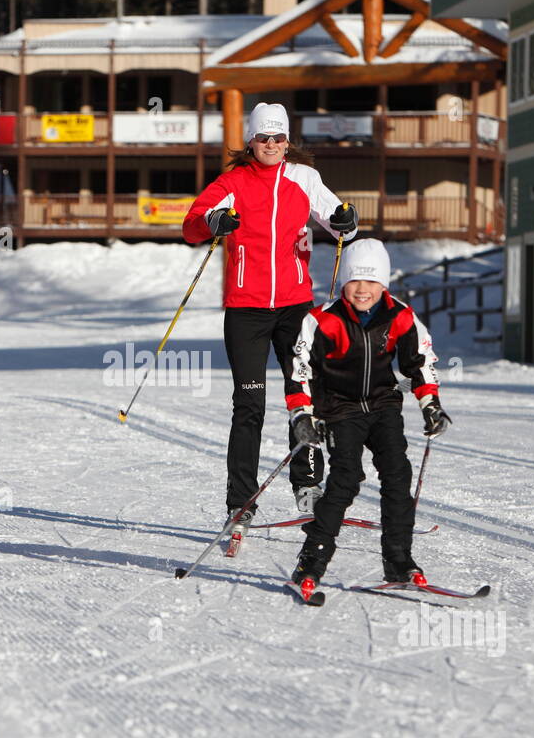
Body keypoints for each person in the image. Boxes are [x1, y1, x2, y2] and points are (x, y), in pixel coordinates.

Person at [182, 103, 358, 534]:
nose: (273, 146)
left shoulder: (304, 178)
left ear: (288, 141)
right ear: (251, 141)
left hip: (296, 308)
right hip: (246, 309)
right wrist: (215, 220)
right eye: (265, 138)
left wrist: (346, 221)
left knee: (306, 396)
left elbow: (342, 226)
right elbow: (191, 226)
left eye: (280, 139)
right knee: (249, 406)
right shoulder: (234, 182)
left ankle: (308, 485)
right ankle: (240, 503)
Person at [285, 239, 451, 603]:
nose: (363, 290)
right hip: (340, 409)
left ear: (384, 284)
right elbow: (300, 371)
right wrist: (302, 414)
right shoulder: (321, 320)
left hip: (383, 406)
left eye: (372, 282)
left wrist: (431, 405)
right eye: (355, 281)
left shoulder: (401, 316)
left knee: (397, 475)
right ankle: (310, 563)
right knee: (345, 480)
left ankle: (398, 561)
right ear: (343, 283)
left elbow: (420, 364)